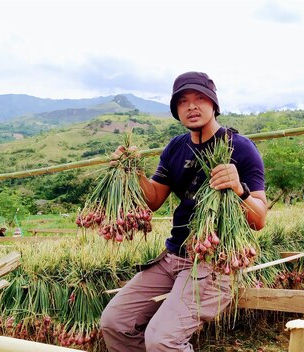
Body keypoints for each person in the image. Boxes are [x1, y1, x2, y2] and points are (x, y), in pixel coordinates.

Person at [100, 71, 267, 351]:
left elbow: (259, 219)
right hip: (172, 257)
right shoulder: (176, 147)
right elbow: (153, 199)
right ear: (176, 109)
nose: (191, 106)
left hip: (214, 262)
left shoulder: (240, 148)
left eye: (200, 98)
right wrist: (133, 170)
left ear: (214, 104)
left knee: (162, 339)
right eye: (183, 101)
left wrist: (240, 190)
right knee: (114, 322)